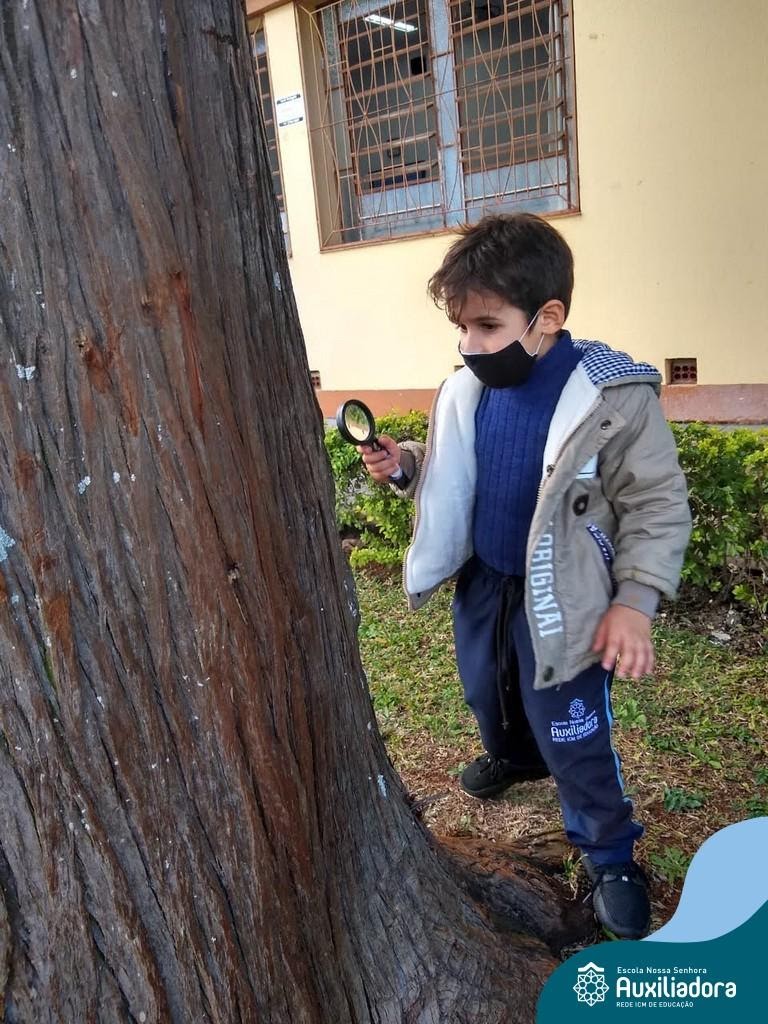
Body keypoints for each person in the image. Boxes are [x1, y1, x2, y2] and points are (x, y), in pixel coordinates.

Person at [358, 213, 691, 939]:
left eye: (487, 325)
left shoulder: (612, 397)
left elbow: (658, 504)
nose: (469, 344)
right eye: (461, 327)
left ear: (548, 318)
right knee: (487, 690)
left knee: (572, 727)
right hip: (486, 585)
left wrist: (635, 602)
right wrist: (406, 467)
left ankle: (610, 854)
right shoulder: (468, 390)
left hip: (565, 597)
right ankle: (513, 757)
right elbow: (458, 477)